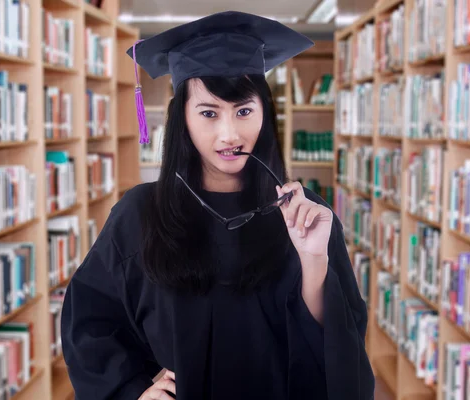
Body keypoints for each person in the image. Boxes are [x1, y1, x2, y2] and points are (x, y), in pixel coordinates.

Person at [60, 10, 374, 400]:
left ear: (265, 113)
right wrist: (132, 392)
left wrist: (313, 261)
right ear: (183, 119)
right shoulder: (140, 214)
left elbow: (339, 349)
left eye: (244, 111)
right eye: (208, 113)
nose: (230, 134)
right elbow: (90, 322)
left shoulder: (304, 212)